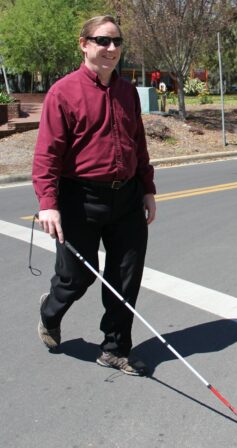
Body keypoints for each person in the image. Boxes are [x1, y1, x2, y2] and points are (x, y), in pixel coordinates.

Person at [32, 15, 156, 376]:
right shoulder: (63, 92)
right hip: (79, 199)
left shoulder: (127, 91)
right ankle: (50, 312)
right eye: (103, 40)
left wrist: (147, 188)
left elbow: (139, 145)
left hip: (128, 197)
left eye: (117, 42)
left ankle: (116, 348)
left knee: (125, 278)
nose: (112, 49)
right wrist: (48, 205)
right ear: (83, 44)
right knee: (76, 277)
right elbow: (47, 155)